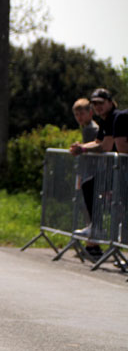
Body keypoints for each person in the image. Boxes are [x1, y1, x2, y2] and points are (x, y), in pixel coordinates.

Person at [69, 98, 101, 258]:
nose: (79, 117)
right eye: (76, 114)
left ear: (90, 112)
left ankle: (93, 244)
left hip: (92, 173)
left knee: (91, 209)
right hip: (89, 172)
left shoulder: (91, 129)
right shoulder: (87, 128)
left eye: (82, 113)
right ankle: (92, 244)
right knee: (87, 208)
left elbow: (94, 148)